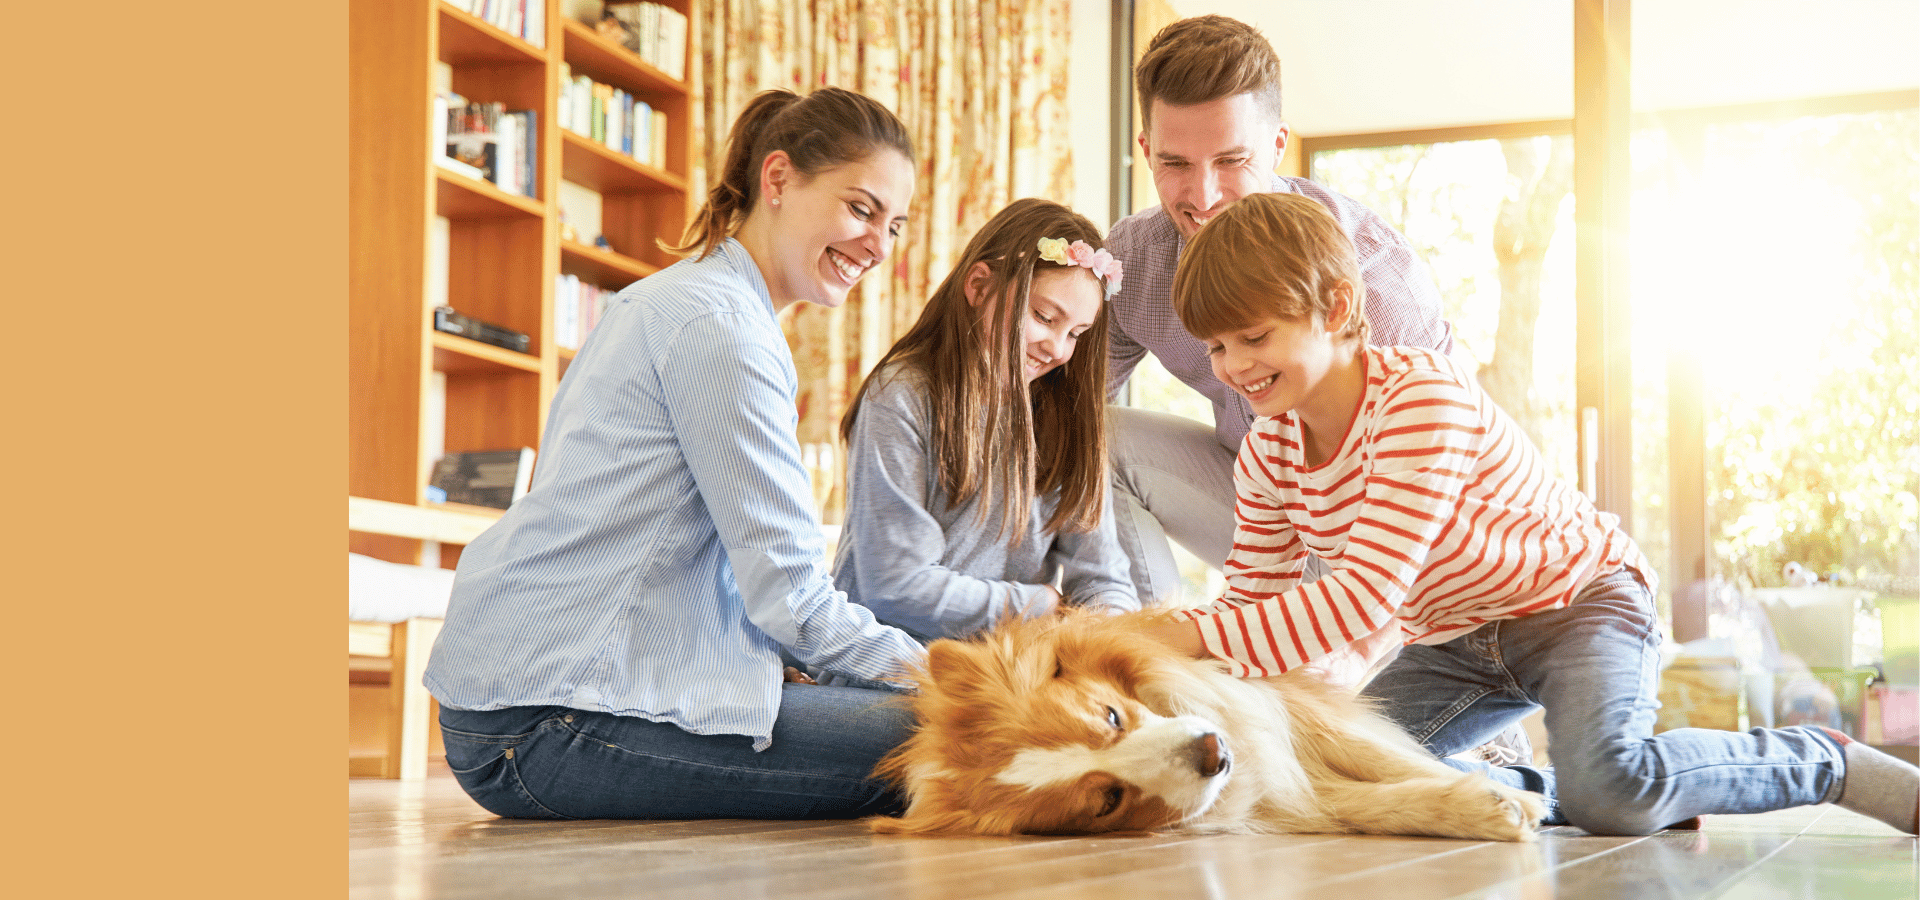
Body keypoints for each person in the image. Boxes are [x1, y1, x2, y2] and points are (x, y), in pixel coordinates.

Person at [1142, 191, 1920, 837]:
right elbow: (1251, 600)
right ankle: (1605, 785)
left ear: (1337, 306)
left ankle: (1823, 760)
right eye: (1215, 348)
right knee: (1333, 774)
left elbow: (1366, 594)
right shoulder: (1269, 452)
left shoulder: (1420, 398)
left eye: (1254, 336)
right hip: (1457, 642)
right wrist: (1185, 661)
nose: (1235, 366)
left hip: (1579, 602)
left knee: (1610, 791)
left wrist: (1189, 633)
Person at [422, 87, 929, 821]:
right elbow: (792, 598)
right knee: (967, 732)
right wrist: (957, 676)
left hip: (519, 707)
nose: (880, 245)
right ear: (778, 179)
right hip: (545, 725)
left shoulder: (685, 302)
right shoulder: (722, 329)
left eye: (896, 225)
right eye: (861, 209)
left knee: (935, 720)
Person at [1104, 15, 1453, 605]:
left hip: (1385, 547)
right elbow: (1061, 409)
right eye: (1176, 164)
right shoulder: (1133, 260)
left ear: (1277, 145)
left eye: (1232, 160)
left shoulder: (1375, 279)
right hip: (1256, 507)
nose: (1204, 196)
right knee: (1088, 435)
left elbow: (1443, 476)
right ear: (1146, 152)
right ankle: (1144, 651)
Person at [833, 199, 1140, 644]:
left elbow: (1104, 579)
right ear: (979, 286)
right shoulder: (899, 396)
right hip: (886, 671)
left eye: (1076, 333)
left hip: (1002, 671)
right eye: (1044, 317)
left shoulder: (1065, 422)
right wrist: (1041, 606)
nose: (1057, 348)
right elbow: (895, 587)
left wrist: (1105, 640)